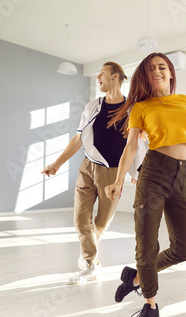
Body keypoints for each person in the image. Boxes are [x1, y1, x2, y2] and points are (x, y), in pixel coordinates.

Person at [104, 52, 186, 317]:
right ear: (145, 76)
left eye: (161, 67)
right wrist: (119, 180)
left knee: (183, 250)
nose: (156, 71)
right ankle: (150, 307)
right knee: (146, 246)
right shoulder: (141, 107)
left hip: (183, 176)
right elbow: (130, 147)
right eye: (150, 69)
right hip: (154, 172)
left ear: (170, 72)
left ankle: (135, 278)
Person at [42, 62, 145, 285]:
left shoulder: (132, 109)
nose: (98, 78)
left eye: (102, 74)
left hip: (113, 172)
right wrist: (57, 164)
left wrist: (136, 170)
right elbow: (78, 138)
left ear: (115, 77)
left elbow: (136, 143)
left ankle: (91, 260)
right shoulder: (92, 106)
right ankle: (90, 264)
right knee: (81, 219)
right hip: (88, 166)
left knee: (100, 223)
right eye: (97, 75)